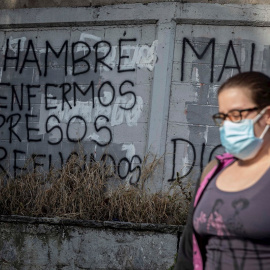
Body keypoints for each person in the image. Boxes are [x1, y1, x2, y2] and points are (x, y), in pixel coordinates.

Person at [174, 71, 270, 270]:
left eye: (236, 115)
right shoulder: (214, 170)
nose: (227, 126)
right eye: (223, 117)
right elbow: (187, 254)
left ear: (267, 115)